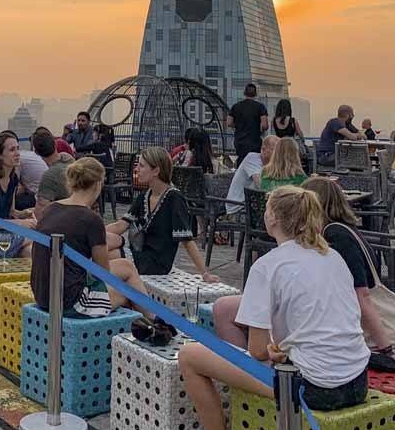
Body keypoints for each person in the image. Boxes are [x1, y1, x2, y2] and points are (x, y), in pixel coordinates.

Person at [180, 187, 370, 430]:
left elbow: (257, 352)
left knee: (189, 357)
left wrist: (273, 349)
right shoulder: (332, 256)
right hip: (357, 379)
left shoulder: (268, 266)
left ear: (272, 220)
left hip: (315, 388)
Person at [303, 177, 395, 358]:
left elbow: (362, 295)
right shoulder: (342, 229)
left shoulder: (336, 236)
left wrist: (387, 350)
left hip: (385, 341)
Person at [30, 157, 151, 318]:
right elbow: (103, 273)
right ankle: (155, 325)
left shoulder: (51, 209)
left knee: (126, 266)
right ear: (97, 184)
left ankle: (153, 322)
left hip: (42, 293)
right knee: (127, 294)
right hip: (69, 302)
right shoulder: (91, 219)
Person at [106, 147, 219, 281]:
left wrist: (205, 273)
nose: (136, 169)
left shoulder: (174, 199)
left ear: (156, 171)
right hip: (139, 254)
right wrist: (93, 231)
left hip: (157, 263)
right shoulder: (144, 196)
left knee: (108, 256)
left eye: (141, 166)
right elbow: (120, 225)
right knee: (105, 247)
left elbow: (187, 241)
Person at [226, 135, 280, 214]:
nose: (278, 154)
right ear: (263, 149)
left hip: (252, 207)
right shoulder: (252, 159)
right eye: (274, 150)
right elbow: (261, 185)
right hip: (239, 210)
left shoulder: (271, 165)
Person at [226, 84, 269, 164]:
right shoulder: (260, 107)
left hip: (240, 141)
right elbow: (265, 125)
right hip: (254, 141)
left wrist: (236, 126)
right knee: (254, 163)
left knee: (241, 162)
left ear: (244, 93)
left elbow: (229, 123)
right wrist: (260, 129)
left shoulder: (236, 106)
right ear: (255, 94)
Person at [15, 127, 56, 210]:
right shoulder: (28, 155)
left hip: (40, 198)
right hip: (48, 196)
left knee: (13, 202)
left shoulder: (18, 159)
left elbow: (14, 188)